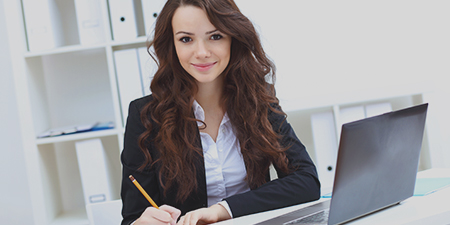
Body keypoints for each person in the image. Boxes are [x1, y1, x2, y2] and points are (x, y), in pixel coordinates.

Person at [120, 0, 320, 224]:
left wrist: (222, 210)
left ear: (233, 39)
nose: (202, 52)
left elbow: (306, 181)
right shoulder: (145, 115)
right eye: (186, 39)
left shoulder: (257, 99)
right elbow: (132, 217)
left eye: (215, 36)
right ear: (172, 45)